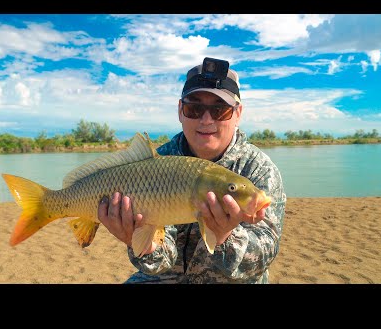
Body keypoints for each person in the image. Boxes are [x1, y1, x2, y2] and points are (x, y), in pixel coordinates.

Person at [98, 57, 286, 283]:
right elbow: (158, 264)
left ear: (238, 114)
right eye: (194, 108)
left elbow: (264, 255)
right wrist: (140, 242)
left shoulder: (258, 169)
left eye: (220, 110)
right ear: (180, 111)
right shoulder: (160, 162)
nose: (206, 120)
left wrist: (226, 235)